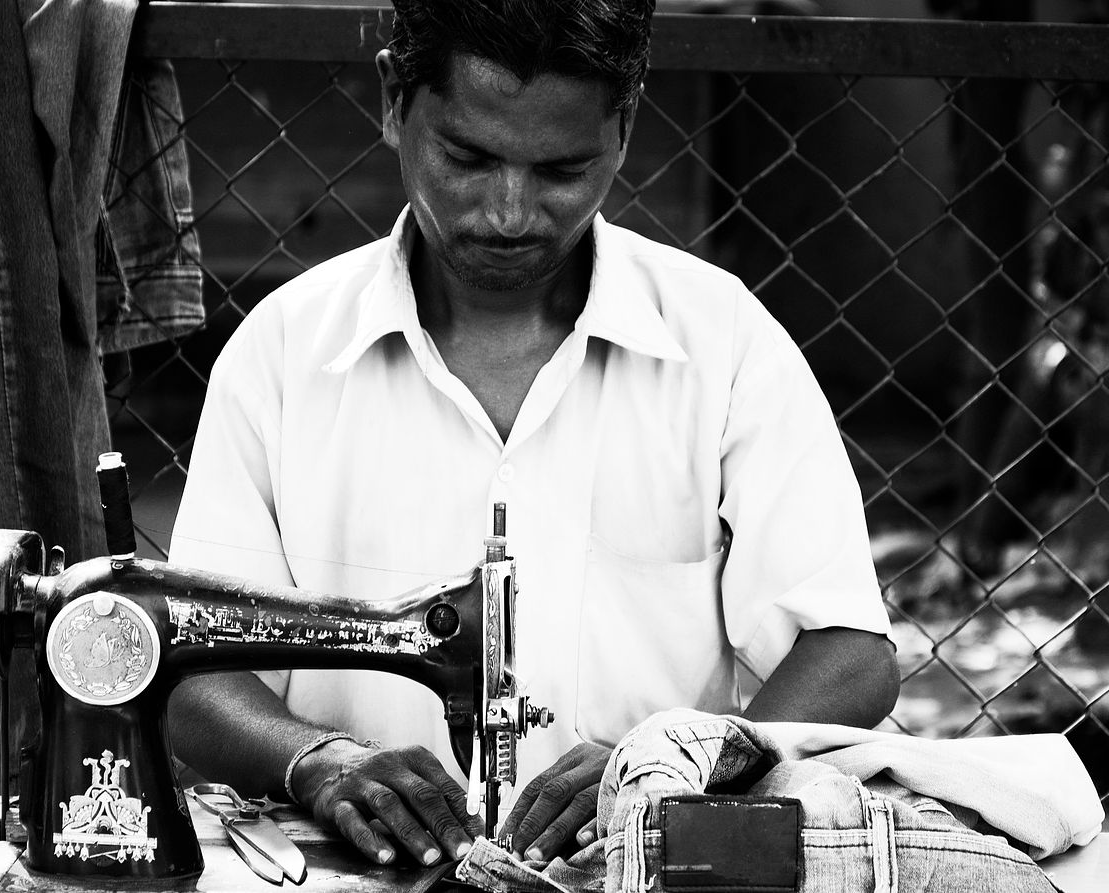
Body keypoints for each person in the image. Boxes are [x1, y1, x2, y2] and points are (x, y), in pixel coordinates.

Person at [166, 0, 899, 871]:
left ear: (624, 127)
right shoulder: (284, 356)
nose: (510, 214)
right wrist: (319, 761)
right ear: (396, 101)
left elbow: (850, 652)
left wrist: (679, 767)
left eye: (560, 170)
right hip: (354, 872)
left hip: (632, 868)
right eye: (468, 159)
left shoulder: (723, 347)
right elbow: (194, 667)